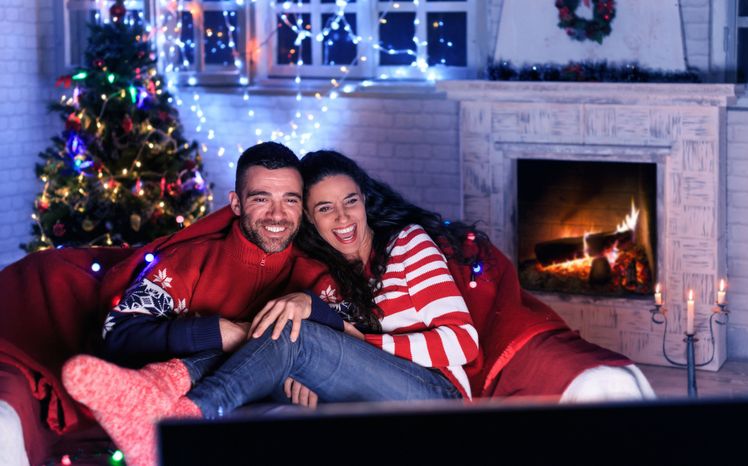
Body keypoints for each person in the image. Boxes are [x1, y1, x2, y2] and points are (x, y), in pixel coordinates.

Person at [62, 149, 480, 466]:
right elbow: (120, 333)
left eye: (350, 201)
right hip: (383, 396)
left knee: (292, 332)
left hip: (439, 397)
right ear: (238, 203)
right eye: (324, 208)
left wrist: (346, 335)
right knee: (280, 333)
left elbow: (459, 342)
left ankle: (183, 419)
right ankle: (158, 387)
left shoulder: (404, 244)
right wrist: (225, 334)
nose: (342, 217)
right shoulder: (327, 269)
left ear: (365, 201)